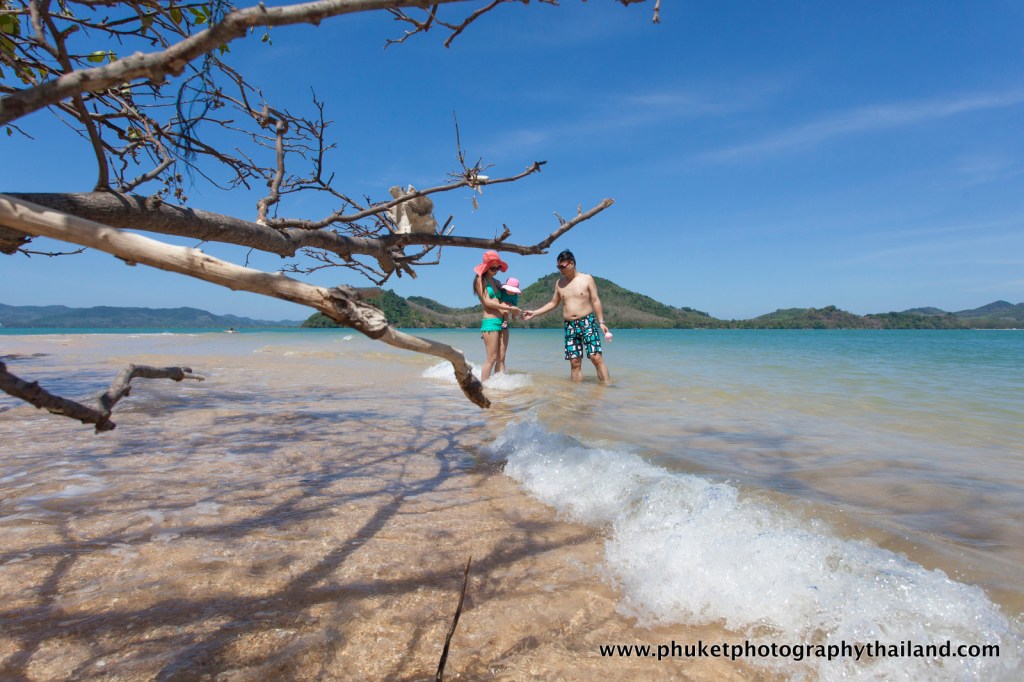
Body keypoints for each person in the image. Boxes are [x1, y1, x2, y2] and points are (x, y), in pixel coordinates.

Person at [523, 249, 611, 382]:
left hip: (587, 321)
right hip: (570, 325)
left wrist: (602, 322)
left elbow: (595, 300)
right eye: (558, 267)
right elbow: (553, 303)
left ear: (572, 263)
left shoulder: (586, 279)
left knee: (595, 357)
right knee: (574, 362)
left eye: (562, 266)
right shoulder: (559, 283)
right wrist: (535, 313)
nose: (560, 269)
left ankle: (607, 388)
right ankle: (574, 398)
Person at [472, 250, 521, 381]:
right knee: (492, 358)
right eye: (493, 268)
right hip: (490, 321)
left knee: (502, 357)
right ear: (486, 267)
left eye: (498, 267)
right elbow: (487, 302)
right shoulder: (480, 280)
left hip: (503, 321)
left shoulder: (498, 282)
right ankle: (483, 387)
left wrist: (515, 310)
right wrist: (507, 308)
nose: (496, 270)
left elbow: (507, 298)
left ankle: (500, 387)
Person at [497, 277, 522, 373]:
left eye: (513, 291)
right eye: (509, 290)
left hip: (507, 311)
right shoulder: (502, 292)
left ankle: (506, 322)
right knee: (505, 304)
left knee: (508, 306)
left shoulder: (515, 296)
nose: (511, 292)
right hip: (498, 312)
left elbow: (514, 307)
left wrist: (514, 317)